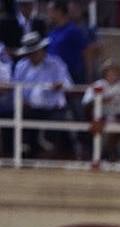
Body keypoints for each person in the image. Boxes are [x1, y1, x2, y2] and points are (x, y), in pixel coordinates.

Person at [13, 30, 71, 158]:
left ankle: (47, 153)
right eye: (30, 52)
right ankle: (24, 151)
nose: (33, 54)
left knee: (54, 127)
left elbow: (68, 84)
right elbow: (16, 89)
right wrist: (21, 101)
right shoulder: (21, 66)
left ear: (42, 49)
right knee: (17, 119)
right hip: (29, 108)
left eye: (36, 51)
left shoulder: (56, 63)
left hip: (53, 108)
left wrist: (59, 85)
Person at [82, 59, 120, 161]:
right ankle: (106, 154)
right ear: (105, 73)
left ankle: (118, 155)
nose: (113, 74)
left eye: (116, 72)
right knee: (112, 125)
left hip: (119, 115)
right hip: (100, 116)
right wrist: (102, 100)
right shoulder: (98, 85)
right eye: (110, 71)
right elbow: (86, 103)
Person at [44, 0, 92, 85]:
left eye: (50, 11)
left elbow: (86, 52)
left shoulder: (73, 31)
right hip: (54, 77)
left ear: (59, 12)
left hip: (73, 76)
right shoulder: (51, 32)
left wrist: (88, 75)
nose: (48, 14)